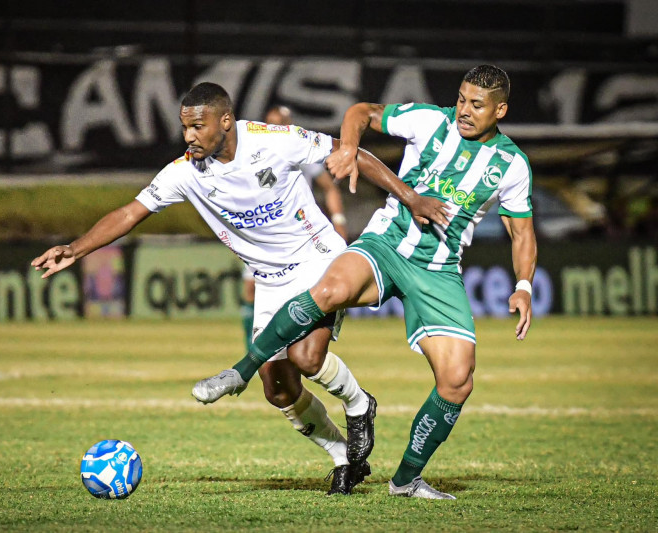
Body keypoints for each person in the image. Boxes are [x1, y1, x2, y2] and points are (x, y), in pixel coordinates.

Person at [31, 82, 446, 495]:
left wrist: (409, 198)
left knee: (306, 355)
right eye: (184, 128)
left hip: (317, 258)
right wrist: (75, 248)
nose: (189, 136)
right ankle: (342, 458)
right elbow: (130, 212)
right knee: (278, 389)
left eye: (198, 126)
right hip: (268, 280)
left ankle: (359, 405)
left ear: (225, 121)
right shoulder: (184, 173)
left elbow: (351, 152)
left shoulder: (275, 141)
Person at [193, 65, 538, 500]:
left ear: (500, 110)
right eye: (462, 99)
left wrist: (523, 286)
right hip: (385, 243)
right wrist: (348, 148)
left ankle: (406, 480)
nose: (464, 111)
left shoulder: (511, 165)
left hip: (438, 268)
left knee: (457, 380)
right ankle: (239, 372)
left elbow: (521, 232)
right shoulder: (430, 119)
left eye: (477, 105)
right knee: (328, 290)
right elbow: (361, 111)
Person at [240, 105, 349, 350]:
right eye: (270, 122)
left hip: (300, 234)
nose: (274, 127)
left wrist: (338, 219)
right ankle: (253, 347)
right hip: (262, 232)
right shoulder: (252, 153)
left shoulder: (297, 149)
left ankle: (297, 346)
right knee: (249, 289)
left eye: (279, 122)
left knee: (302, 292)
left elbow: (329, 187)